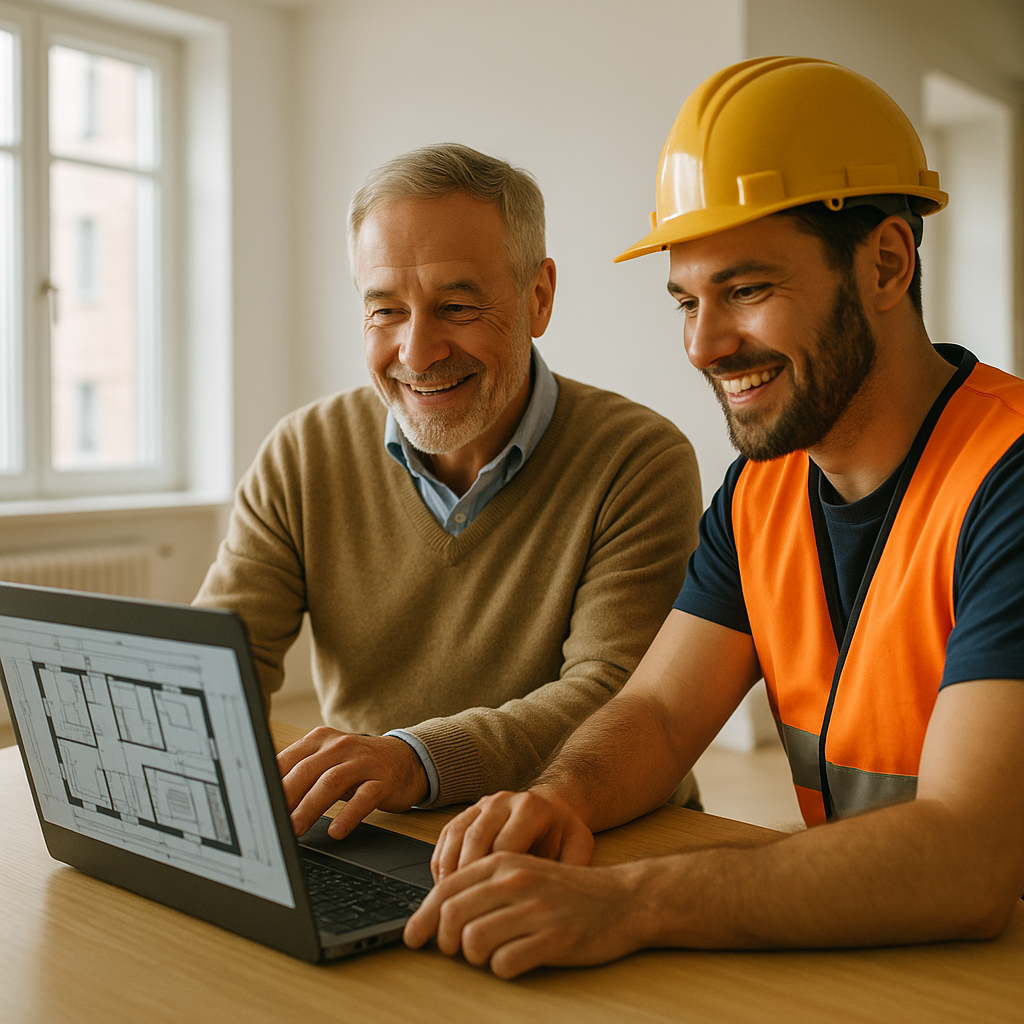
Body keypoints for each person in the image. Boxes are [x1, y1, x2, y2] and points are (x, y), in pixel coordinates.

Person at [403, 57, 1024, 977]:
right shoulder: (761, 490)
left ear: (887, 262)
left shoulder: (1006, 479)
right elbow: (657, 713)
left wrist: (629, 902)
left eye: (747, 290)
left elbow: (970, 858)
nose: (702, 344)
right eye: (687, 301)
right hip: (889, 952)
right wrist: (562, 797)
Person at [194, 143, 703, 841]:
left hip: (596, 828)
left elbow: (616, 697)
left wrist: (414, 759)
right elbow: (222, 664)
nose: (416, 351)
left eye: (456, 306)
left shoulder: (637, 458)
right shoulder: (302, 451)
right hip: (378, 832)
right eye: (385, 311)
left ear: (539, 297)